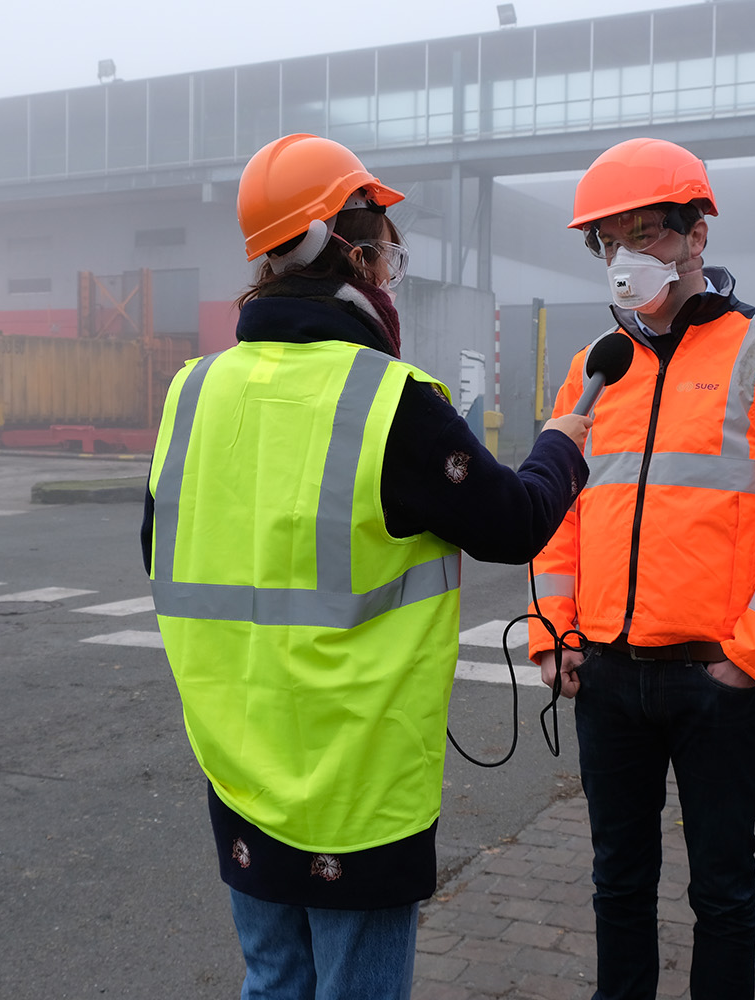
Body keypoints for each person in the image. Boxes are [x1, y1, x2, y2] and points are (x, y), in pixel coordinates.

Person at [141, 133, 591, 1000]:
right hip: (356, 784)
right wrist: (561, 444)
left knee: (272, 982)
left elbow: (163, 550)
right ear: (348, 247)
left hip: (238, 766)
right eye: (382, 234)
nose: (390, 257)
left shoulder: (192, 390)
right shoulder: (388, 401)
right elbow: (515, 521)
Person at [527, 137, 755, 999]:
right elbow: (561, 514)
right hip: (606, 678)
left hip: (718, 682)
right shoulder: (593, 370)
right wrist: (557, 636)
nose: (626, 257)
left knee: (723, 893)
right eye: (607, 240)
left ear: (696, 233)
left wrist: (748, 659)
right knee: (618, 885)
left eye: (647, 234)